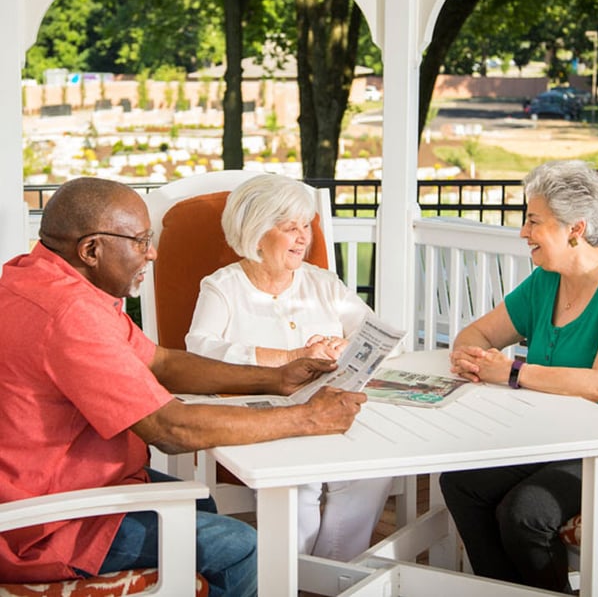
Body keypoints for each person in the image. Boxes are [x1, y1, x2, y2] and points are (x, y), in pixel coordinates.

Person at [0, 177, 367, 596]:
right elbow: (171, 430)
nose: (151, 253)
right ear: (91, 250)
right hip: (42, 524)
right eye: (140, 241)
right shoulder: (71, 314)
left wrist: (276, 377)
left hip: (51, 484)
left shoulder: (42, 280)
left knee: (200, 502)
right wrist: (307, 417)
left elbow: (163, 362)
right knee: (244, 548)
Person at [440, 160, 598, 594]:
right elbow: (478, 332)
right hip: (561, 436)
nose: (524, 233)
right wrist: (470, 355)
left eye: (533, 221)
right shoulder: (546, 281)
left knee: (524, 511)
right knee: (462, 482)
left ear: (575, 229)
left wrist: (513, 372)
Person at [186, 174, 394, 561]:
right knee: (301, 480)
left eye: (305, 227)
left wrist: (342, 347)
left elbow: (372, 332)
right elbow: (200, 349)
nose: (303, 238)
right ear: (257, 232)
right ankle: (296, 577)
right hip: (260, 416)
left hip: (329, 409)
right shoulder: (222, 287)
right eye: (289, 228)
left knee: (373, 469)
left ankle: (327, 574)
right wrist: (288, 357)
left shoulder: (323, 283)